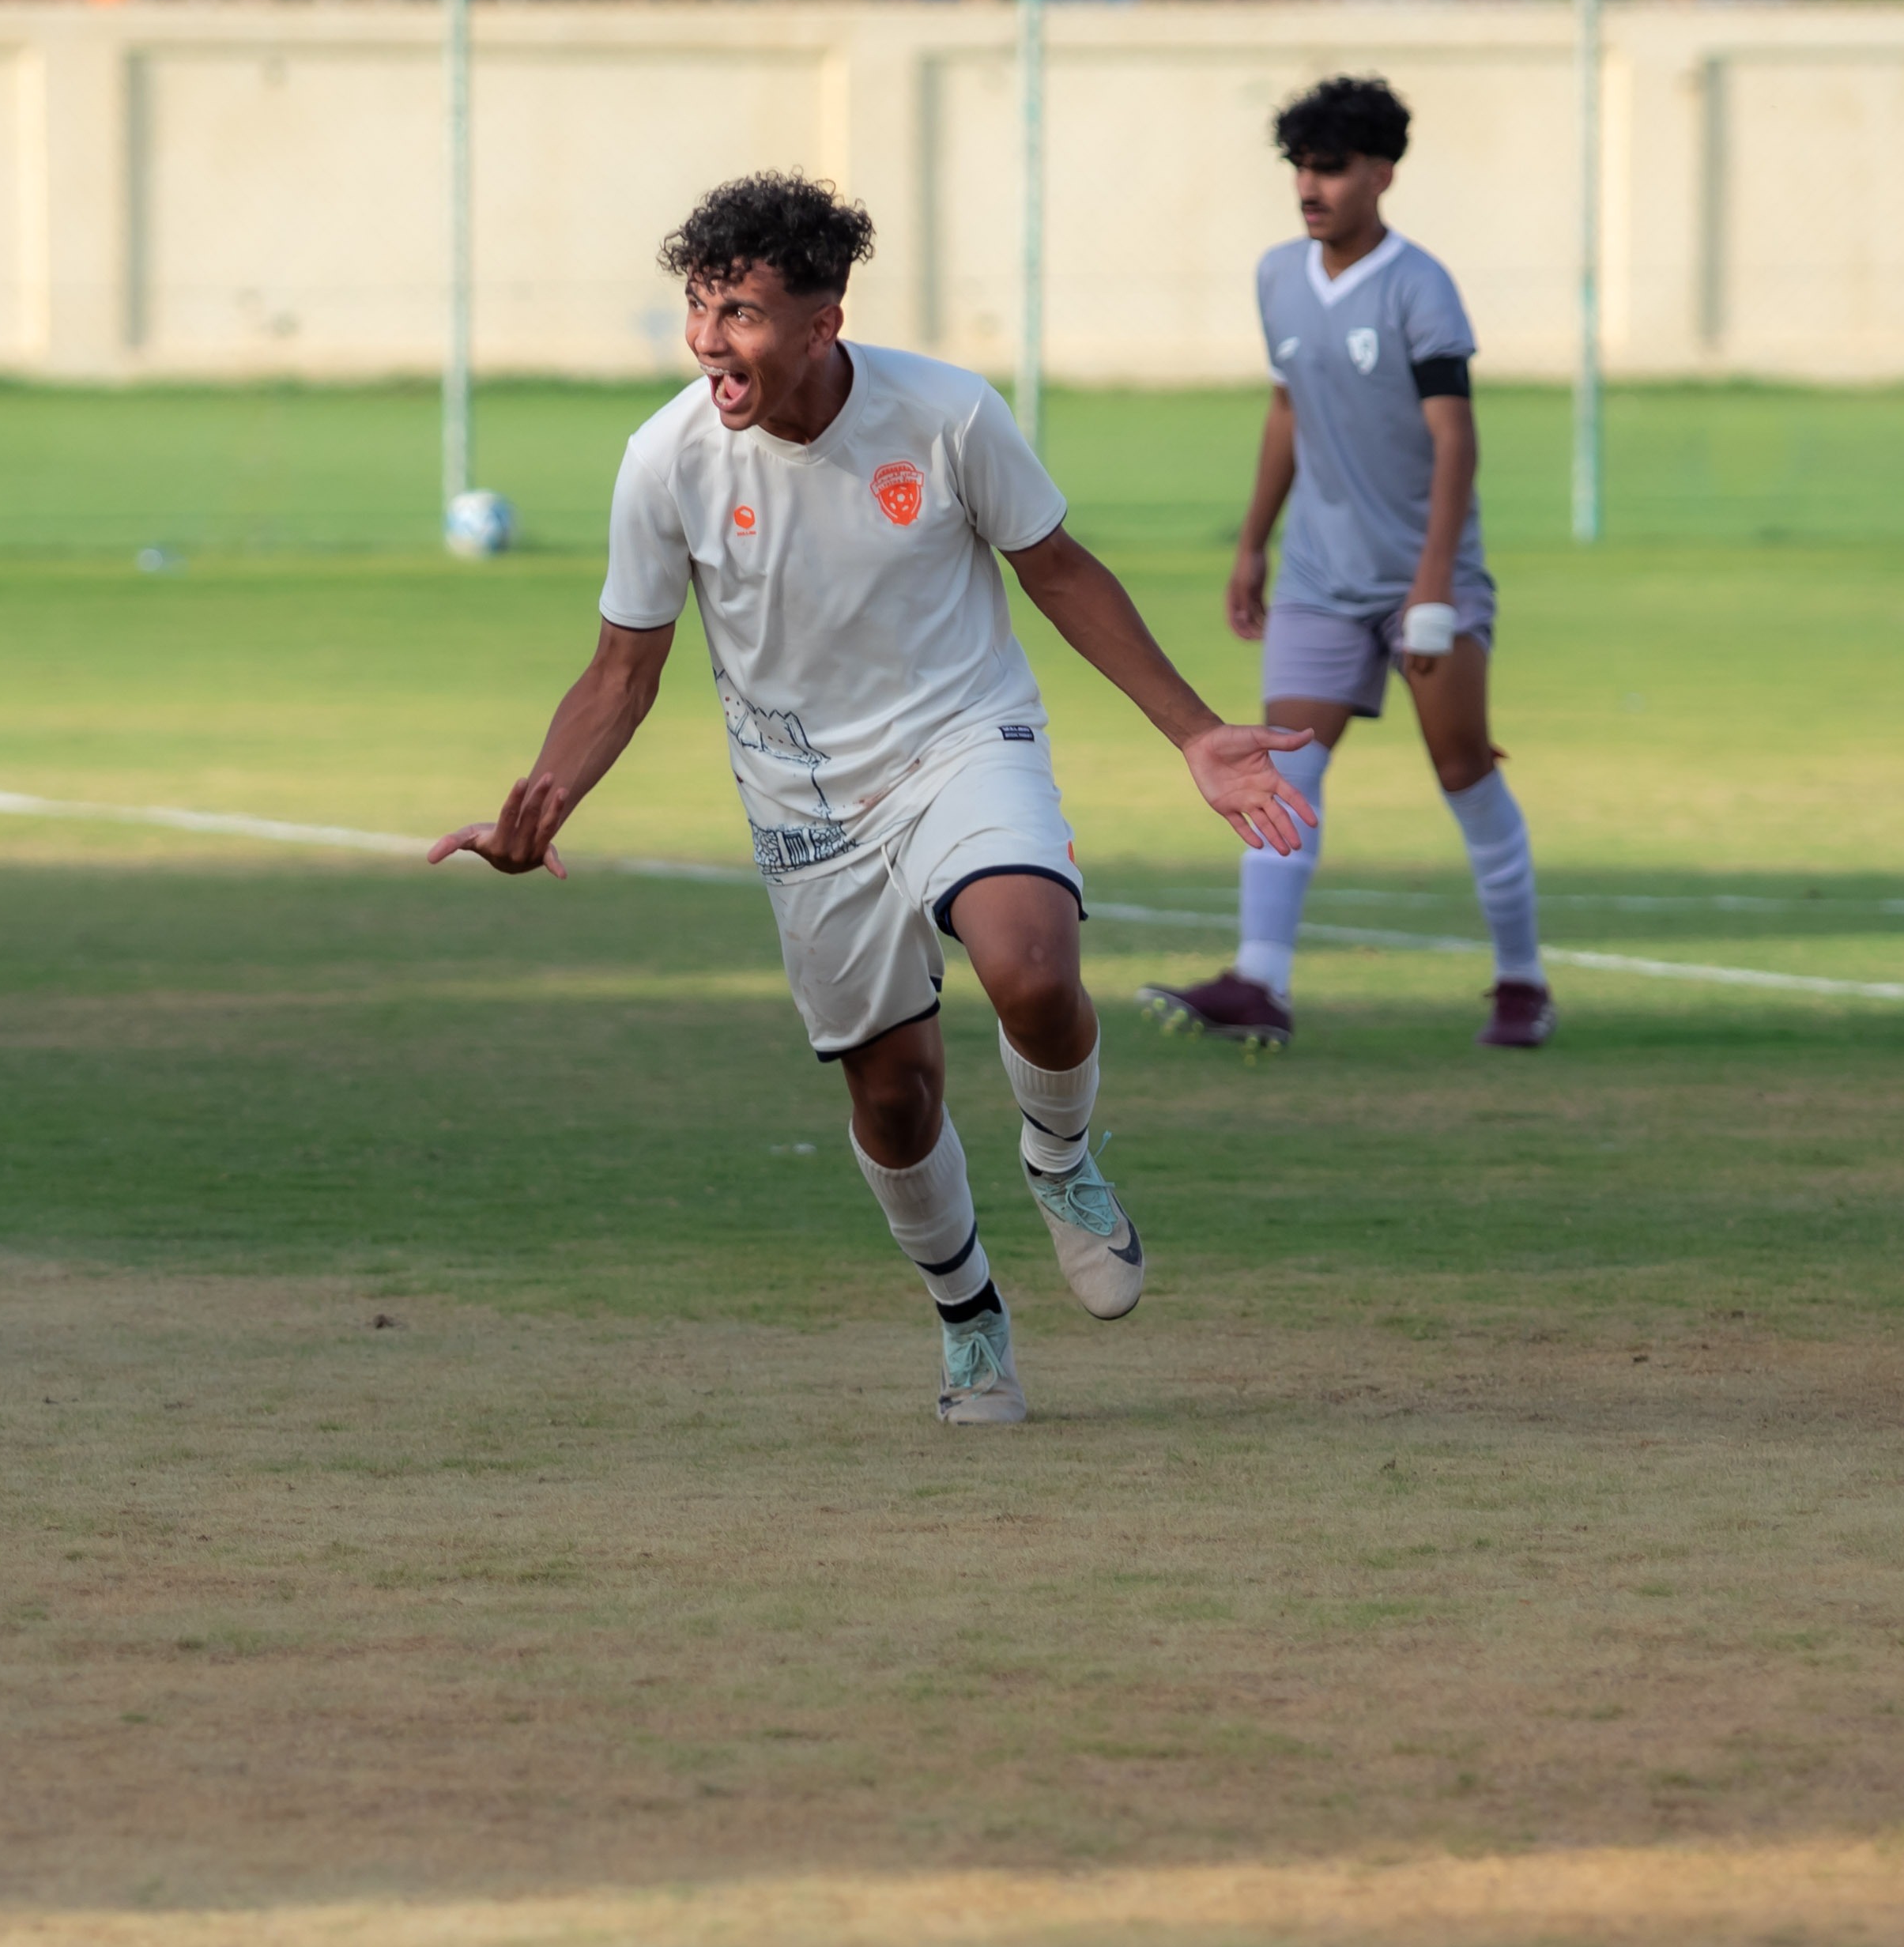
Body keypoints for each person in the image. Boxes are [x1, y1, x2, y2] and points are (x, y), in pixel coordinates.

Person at [431, 173, 1317, 1426]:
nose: (708, 342)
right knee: (893, 1097)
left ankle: (1060, 1159)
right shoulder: (665, 460)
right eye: (697, 309)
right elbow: (622, 670)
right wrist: (547, 800)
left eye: (739, 314)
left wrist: (1195, 733)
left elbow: (1058, 572)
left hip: (964, 739)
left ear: (821, 323)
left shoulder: (945, 414)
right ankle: (969, 1319)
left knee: (1030, 964)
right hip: (805, 803)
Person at [1140, 77, 1551, 1053]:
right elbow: (1287, 408)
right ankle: (1259, 981)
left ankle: (1521, 981)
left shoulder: (1419, 286)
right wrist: (1253, 541)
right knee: (1285, 765)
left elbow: (1454, 439)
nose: (1308, 187)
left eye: (1329, 168)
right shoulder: (1278, 276)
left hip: (1424, 577)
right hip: (1319, 580)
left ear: (1381, 173)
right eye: (1299, 167)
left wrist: (1433, 582)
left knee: (1462, 767)